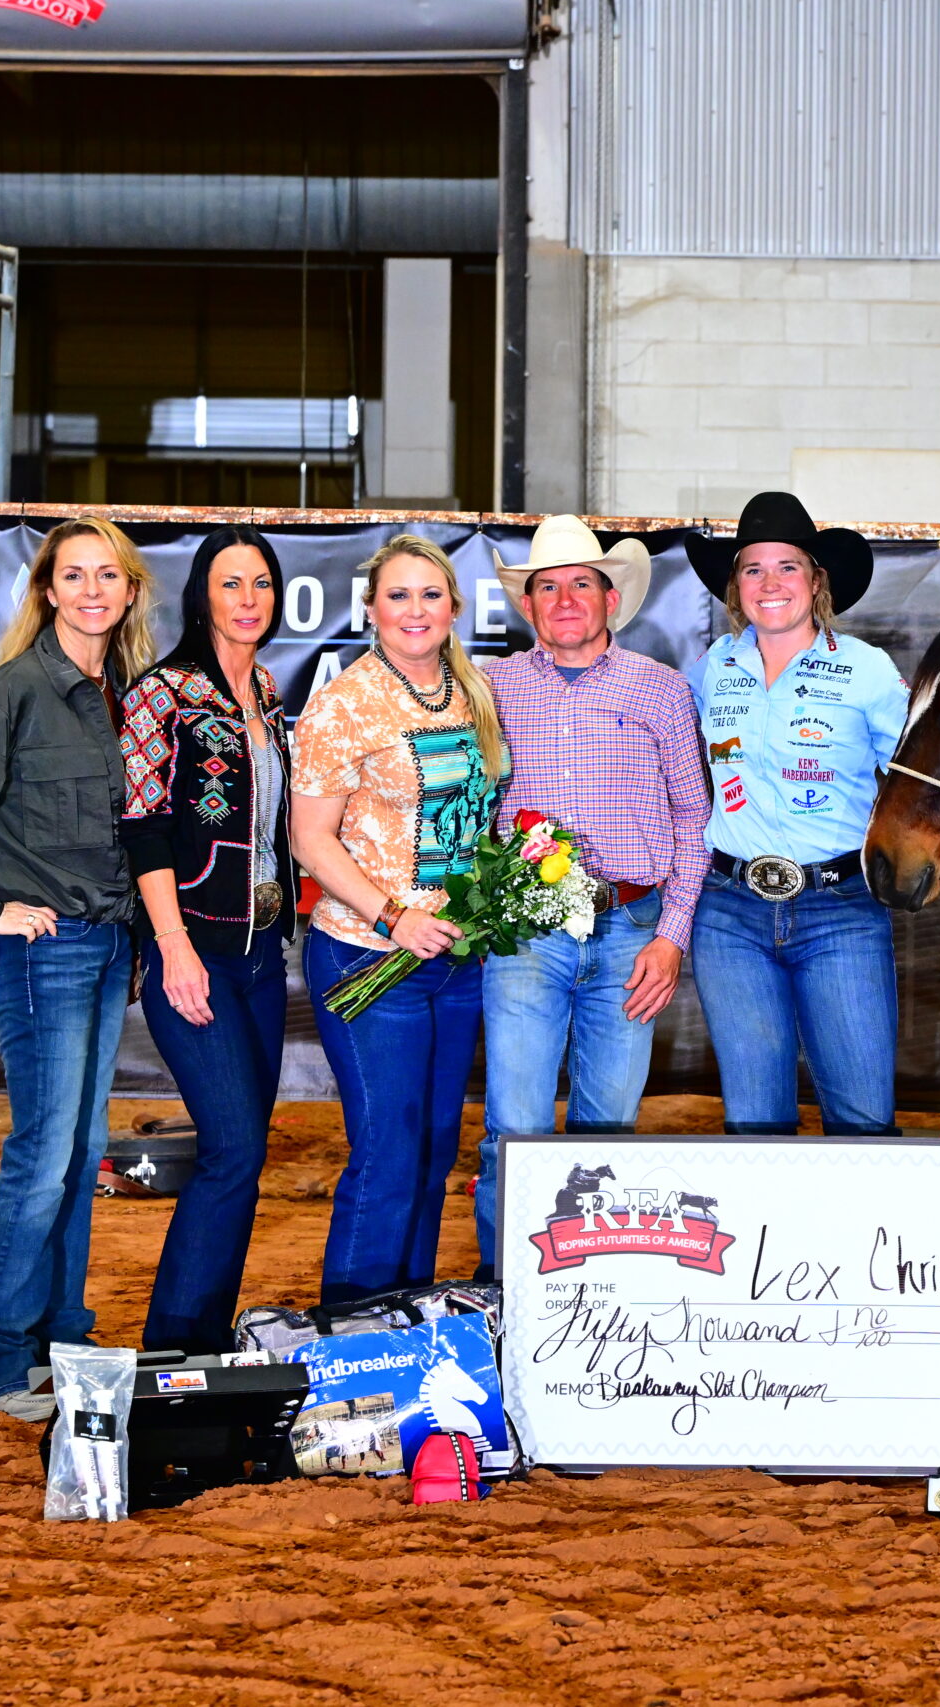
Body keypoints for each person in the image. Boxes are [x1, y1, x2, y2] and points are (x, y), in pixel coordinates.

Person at [0, 516, 155, 1419]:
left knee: (80, 1153)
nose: (92, 590)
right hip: (37, 955)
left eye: (108, 575)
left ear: (128, 591)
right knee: (42, 1157)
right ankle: (1, 1366)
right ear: (49, 590)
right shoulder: (13, 694)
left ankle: (60, 1340)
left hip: (100, 948)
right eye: (74, 575)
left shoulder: (125, 698)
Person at [475, 515, 708, 1277]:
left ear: (611, 600)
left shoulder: (663, 690)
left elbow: (692, 817)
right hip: (526, 932)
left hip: (631, 931)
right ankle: (504, 1298)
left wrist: (672, 936)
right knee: (514, 1127)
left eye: (582, 583)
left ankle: (590, 1302)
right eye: (548, 585)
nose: (565, 598)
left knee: (606, 1131)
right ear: (530, 605)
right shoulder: (492, 687)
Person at [290, 534, 506, 1304]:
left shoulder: (470, 688)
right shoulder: (344, 701)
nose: (415, 610)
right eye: (398, 595)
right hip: (368, 959)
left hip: (456, 962)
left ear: (453, 606)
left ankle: (407, 1323)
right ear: (371, 608)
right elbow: (308, 838)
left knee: (434, 1149)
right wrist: (393, 916)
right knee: (386, 1151)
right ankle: (352, 1335)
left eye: (430, 595)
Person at [687, 492, 921, 1134]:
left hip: (839, 909)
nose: (770, 583)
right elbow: (661, 757)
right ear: (735, 586)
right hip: (730, 913)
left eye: (787, 566)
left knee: (863, 1121)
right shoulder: (713, 668)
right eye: (753, 568)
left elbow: (920, 775)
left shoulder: (867, 671)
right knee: (755, 1124)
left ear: (817, 580)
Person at [116, 525, 294, 1353]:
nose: (248, 598)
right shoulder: (164, 693)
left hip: (260, 955)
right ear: (201, 595)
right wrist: (172, 945)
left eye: (260, 582)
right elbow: (143, 825)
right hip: (197, 950)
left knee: (243, 1157)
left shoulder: (263, 686)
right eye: (231, 583)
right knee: (231, 1148)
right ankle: (171, 1350)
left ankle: (207, 1338)